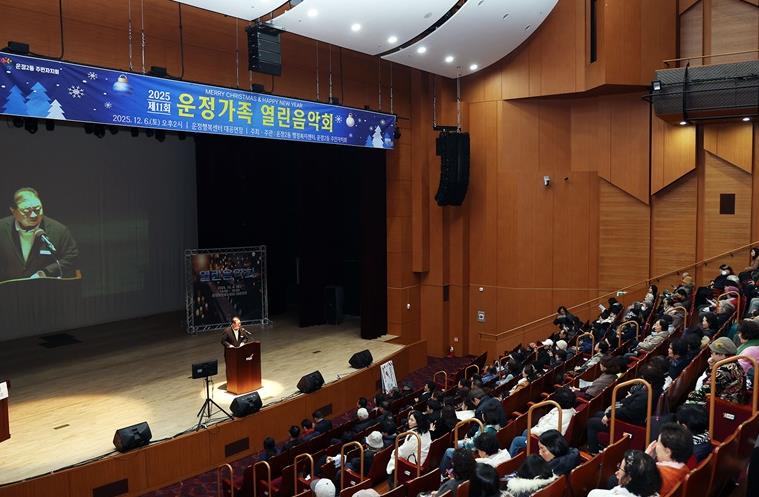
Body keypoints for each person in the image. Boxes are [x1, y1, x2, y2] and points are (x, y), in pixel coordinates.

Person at [0, 187, 79, 282]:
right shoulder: (2, 228)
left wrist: (46, 272)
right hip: (7, 287)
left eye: (38, 209)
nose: (33, 215)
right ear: (13, 211)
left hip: (44, 287)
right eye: (26, 211)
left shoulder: (59, 230)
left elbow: (71, 258)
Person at [587, 363, 664, 453]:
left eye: (642, 378)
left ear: (649, 381)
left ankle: (593, 451)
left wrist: (609, 414)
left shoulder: (647, 396)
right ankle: (597, 443)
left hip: (630, 423)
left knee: (592, 422)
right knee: (598, 414)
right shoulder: (657, 389)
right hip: (632, 416)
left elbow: (629, 413)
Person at [509, 387, 576, 455]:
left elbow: (546, 431)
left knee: (516, 441)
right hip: (546, 433)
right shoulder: (569, 409)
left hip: (546, 442)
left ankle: (512, 460)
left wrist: (532, 431)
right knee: (525, 432)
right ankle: (525, 453)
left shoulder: (560, 415)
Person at [686, 337, 746, 405]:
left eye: (712, 353)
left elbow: (702, 392)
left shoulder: (723, 371)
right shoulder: (735, 363)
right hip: (736, 400)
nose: (711, 356)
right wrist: (712, 367)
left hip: (724, 406)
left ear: (721, 354)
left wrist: (689, 397)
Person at [644, 423, 693, 495]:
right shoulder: (685, 469)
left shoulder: (655, 474)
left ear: (667, 451)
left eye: (658, 443)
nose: (655, 446)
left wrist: (645, 459)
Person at [588, 450, 661, 497]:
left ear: (629, 478)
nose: (616, 472)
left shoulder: (595, 494)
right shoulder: (656, 494)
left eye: (620, 468)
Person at [386, 410, 431, 483]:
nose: (409, 422)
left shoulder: (414, 436)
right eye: (409, 419)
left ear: (418, 422)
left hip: (415, 465)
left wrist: (394, 452)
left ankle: (392, 482)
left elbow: (402, 453)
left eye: (412, 420)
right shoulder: (426, 431)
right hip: (422, 459)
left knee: (395, 455)